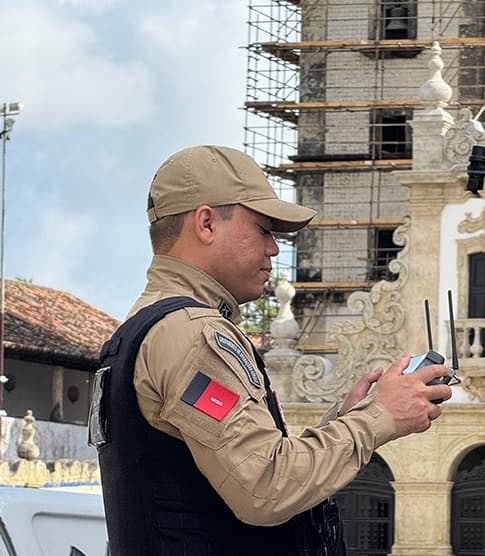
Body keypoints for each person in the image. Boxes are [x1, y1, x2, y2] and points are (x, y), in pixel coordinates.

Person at [89, 145, 453, 555]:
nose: (274, 249)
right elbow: (265, 485)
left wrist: (347, 419)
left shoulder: (153, 325)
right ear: (206, 223)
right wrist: (378, 418)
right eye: (263, 229)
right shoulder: (192, 335)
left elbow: (237, 469)